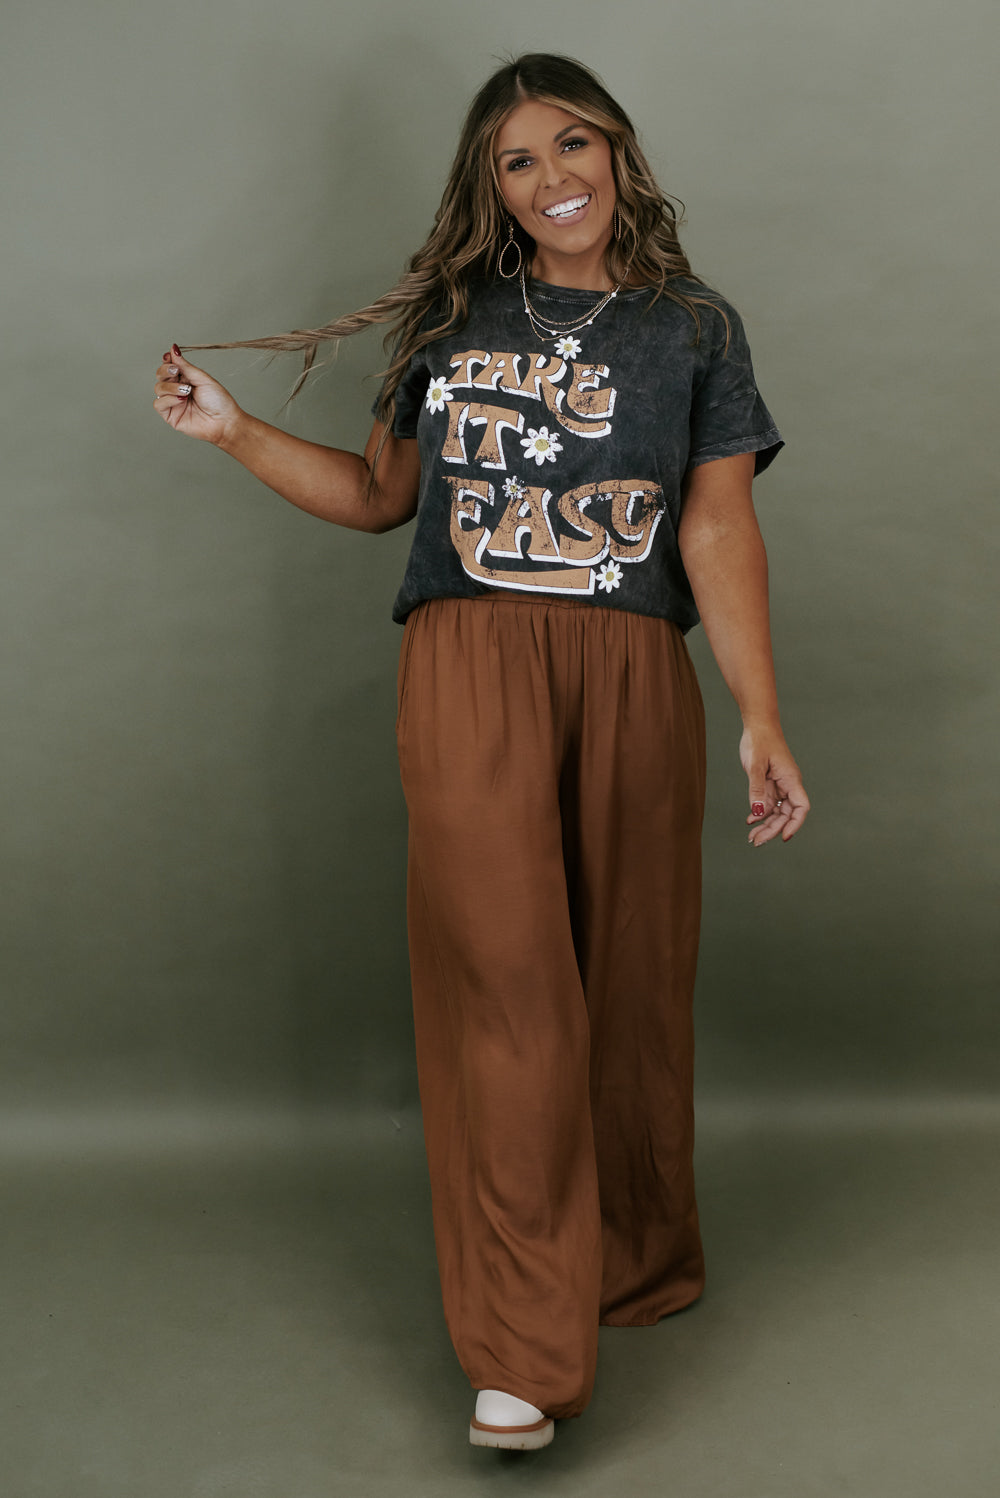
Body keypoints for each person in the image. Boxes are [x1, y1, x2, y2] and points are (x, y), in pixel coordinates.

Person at [152, 52, 810, 1451]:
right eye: (519, 160)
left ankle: (633, 1258)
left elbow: (716, 525)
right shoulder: (453, 322)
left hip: (633, 670)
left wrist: (760, 709)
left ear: (617, 151)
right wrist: (233, 432)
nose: (554, 176)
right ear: (491, 190)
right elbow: (376, 494)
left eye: (574, 143)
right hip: (470, 668)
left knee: (632, 979)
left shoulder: (695, 327)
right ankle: (522, 1350)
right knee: (510, 993)